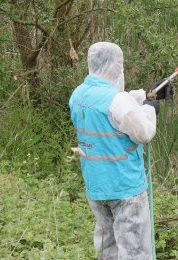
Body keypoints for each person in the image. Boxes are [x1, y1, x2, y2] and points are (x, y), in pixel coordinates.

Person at [69, 42, 171, 259]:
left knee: (109, 249)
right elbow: (143, 132)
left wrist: (148, 93)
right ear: (115, 65)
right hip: (124, 189)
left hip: (97, 187)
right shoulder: (117, 101)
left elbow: (115, 103)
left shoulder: (79, 94)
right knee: (134, 252)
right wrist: (149, 109)